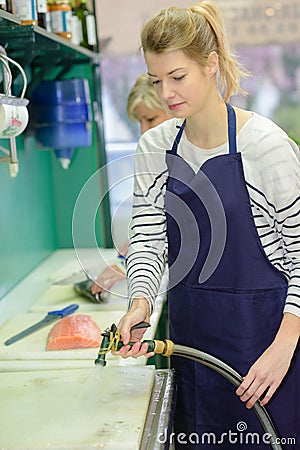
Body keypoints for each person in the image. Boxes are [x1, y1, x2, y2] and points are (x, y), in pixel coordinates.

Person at [115, 2, 300, 448]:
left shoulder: (265, 146)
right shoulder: (155, 145)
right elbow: (148, 236)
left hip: (266, 350)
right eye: (157, 80)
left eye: (178, 77)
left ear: (211, 64)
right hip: (192, 344)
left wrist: (283, 348)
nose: (166, 93)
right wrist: (140, 300)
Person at [91, 74, 171, 295]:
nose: (144, 130)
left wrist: (128, 266)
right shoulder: (156, 157)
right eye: (139, 122)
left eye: (151, 119)